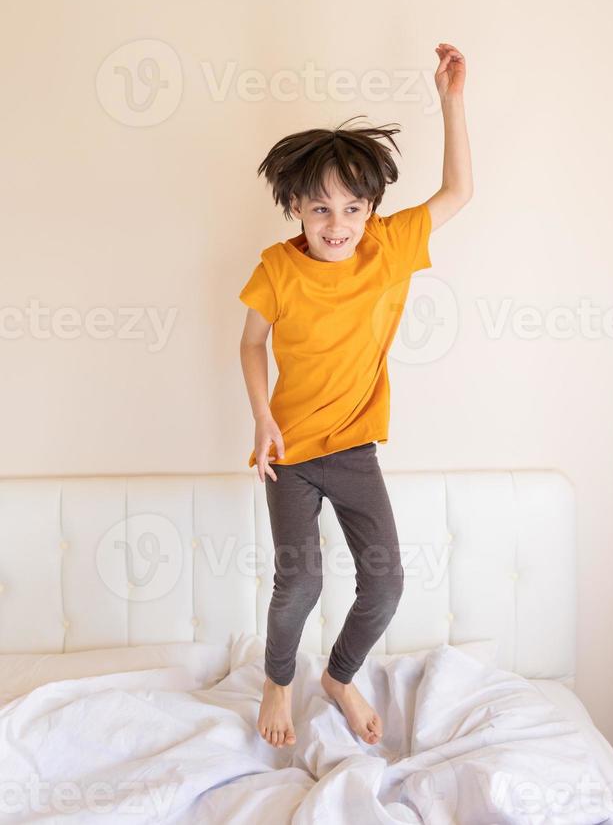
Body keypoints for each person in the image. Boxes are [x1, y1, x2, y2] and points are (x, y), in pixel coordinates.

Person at [238, 43, 472, 749]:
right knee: (299, 586)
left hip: (354, 450)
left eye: (351, 207)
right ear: (294, 209)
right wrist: (261, 421)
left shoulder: (389, 247)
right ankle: (278, 678)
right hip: (289, 453)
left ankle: (338, 677)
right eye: (318, 209)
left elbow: (458, 194)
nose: (336, 224)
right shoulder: (276, 269)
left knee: (386, 585)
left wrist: (450, 100)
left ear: (371, 209)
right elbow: (251, 344)